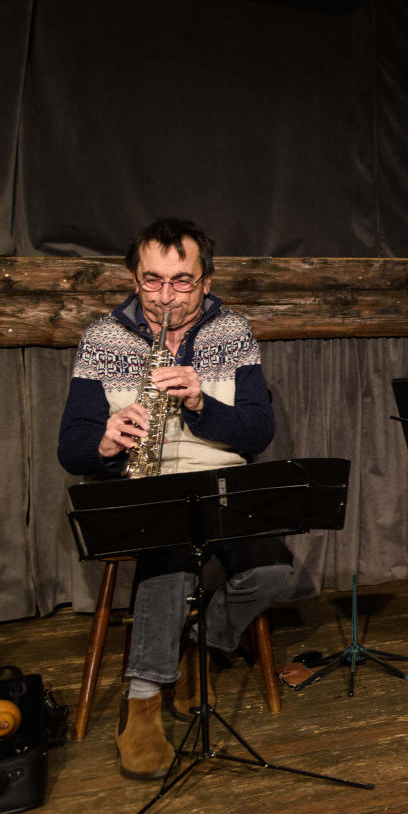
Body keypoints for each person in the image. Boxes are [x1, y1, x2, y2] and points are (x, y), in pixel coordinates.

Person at [57, 217, 287, 780]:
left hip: (221, 481)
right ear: (136, 279)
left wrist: (203, 403)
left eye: (181, 282)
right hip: (144, 486)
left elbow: (259, 431)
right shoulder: (103, 338)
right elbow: (71, 445)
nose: (165, 297)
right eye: (152, 281)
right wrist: (106, 439)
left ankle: (200, 647)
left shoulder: (232, 331)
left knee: (273, 572)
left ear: (206, 280)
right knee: (171, 558)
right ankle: (142, 703)